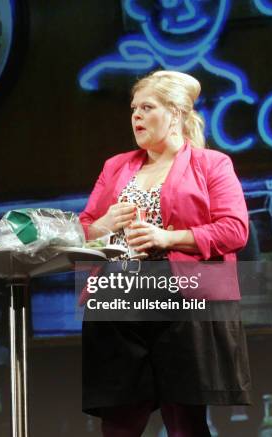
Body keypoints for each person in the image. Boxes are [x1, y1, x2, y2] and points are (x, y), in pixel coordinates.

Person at [79, 70, 251, 436]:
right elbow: (83, 230)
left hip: (182, 300)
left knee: (184, 422)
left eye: (147, 107)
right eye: (133, 108)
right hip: (118, 302)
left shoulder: (211, 165)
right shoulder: (116, 167)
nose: (136, 116)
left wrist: (168, 239)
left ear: (174, 114)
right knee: (118, 422)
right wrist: (105, 223)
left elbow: (235, 229)